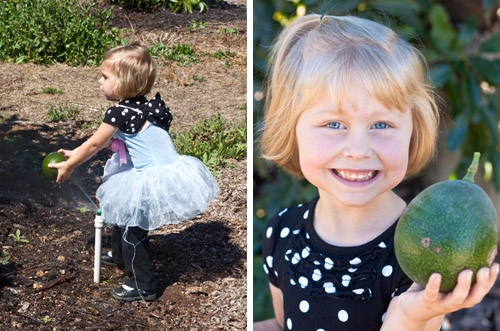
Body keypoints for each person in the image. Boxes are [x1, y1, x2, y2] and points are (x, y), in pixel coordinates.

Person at [254, 14, 499, 330]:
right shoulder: (282, 233)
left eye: (381, 125)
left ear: (413, 132)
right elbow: (281, 324)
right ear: (292, 129)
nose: (359, 149)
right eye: (334, 124)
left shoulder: (423, 252)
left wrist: (408, 316)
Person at [50, 42, 219, 302]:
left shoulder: (120, 112)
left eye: (105, 77)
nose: (99, 81)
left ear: (124, 82)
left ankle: (143, 284)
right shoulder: (144, 107)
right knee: (122, 213)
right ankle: (119, 257)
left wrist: (70, 165)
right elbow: (101, 142)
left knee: (132, 229)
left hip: (151, 177)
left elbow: (96, 144)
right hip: (166, 172)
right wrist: (75, 152)